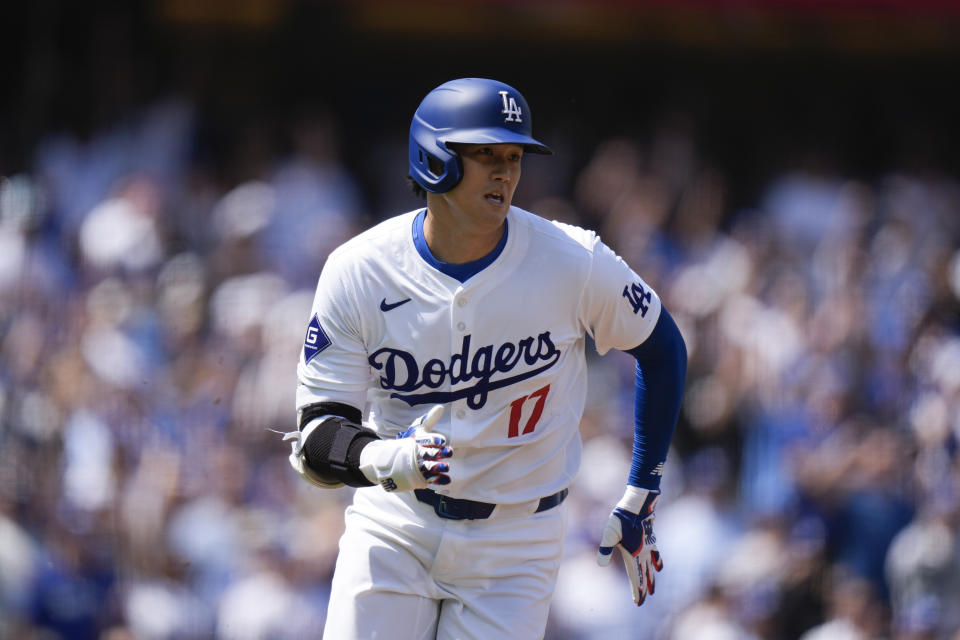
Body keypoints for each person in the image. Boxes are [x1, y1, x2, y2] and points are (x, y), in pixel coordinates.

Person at [283, 77, 687, 639]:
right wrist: (391, 460)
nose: (506, 172)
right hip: (397, 525)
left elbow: (664, 348)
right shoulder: (360, 268)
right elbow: (318, 439)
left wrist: (643, 489)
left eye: (514, 155)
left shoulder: (573, 259)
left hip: (517, 544)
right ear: (433, 160)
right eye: (485, 154)